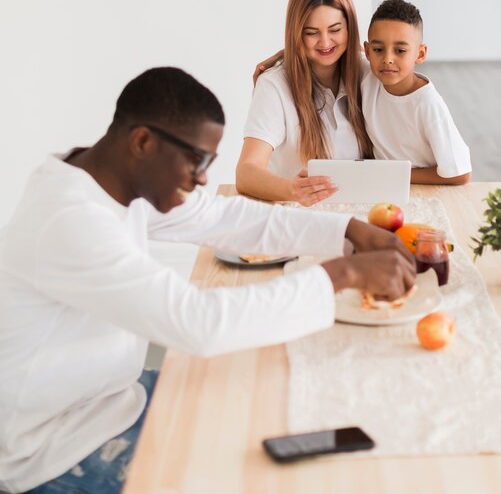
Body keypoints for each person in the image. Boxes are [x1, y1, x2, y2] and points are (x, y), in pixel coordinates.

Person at [0, 67, 415, 493]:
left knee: (267, 411)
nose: (201, 179)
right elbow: (197, 324)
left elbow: (221, 216)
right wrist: (341, 274)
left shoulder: (106, 179)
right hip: (51, 452)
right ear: (142, 142)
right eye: (198, 160)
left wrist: (345, 230)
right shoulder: (71, 220)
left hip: (112, 400)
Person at [236, 0, 373, 207]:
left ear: (349, 28)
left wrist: (285, 52)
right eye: (311, 33)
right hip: (297, 215)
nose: (325, 42)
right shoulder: (274, 85)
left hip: (363, 210)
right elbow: (246, 172)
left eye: (335, 29)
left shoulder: (366, 71)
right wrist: (292, 189)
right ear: (296, 33)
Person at [362, 0, 471, 184]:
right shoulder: (368, 78)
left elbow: (460, 174)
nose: (387, 59)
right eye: (378, 49)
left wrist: (394, 176)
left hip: (421, 188)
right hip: (383, 188)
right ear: (367, 50)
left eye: (400, 51)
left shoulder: (427, 104)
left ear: (420, 54)